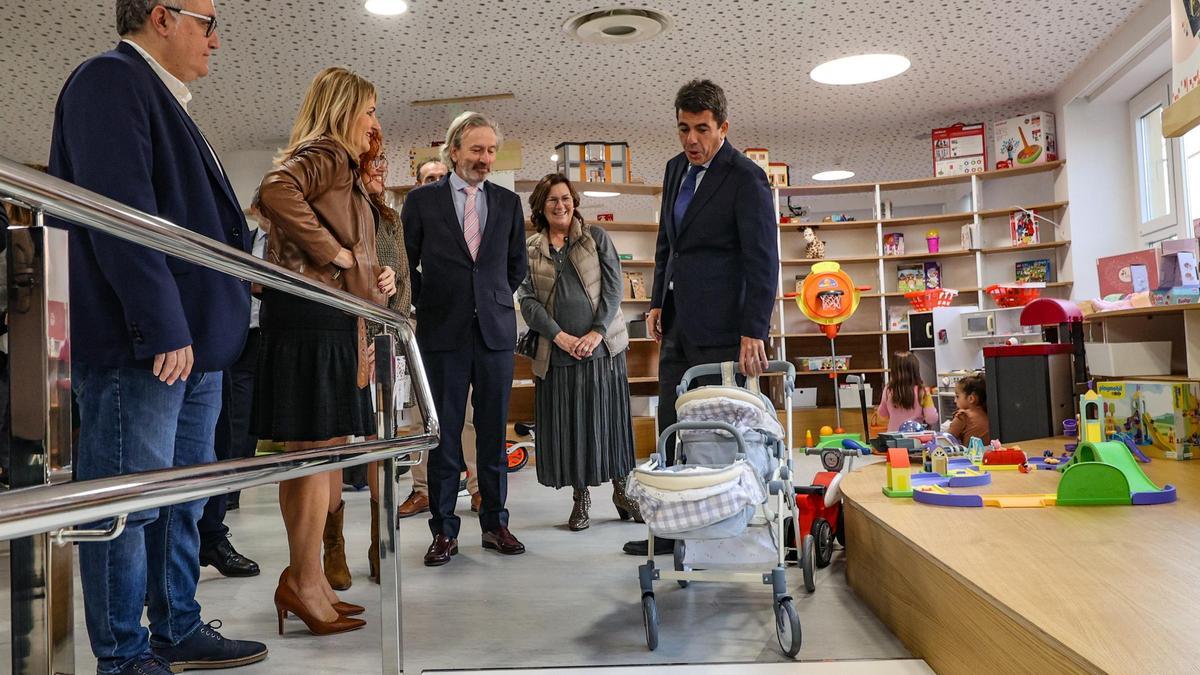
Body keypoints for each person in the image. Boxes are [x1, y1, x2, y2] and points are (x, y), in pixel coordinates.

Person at [46, 2, 267, 672]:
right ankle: (122, 653)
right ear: (161, 15)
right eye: (207, 20)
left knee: (180, 499)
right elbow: (121, 212)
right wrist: (163, 323)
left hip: (194, 349)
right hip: (145, 345)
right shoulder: (108, 80)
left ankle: (175, 623)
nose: (216, 38)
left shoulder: (167, 101)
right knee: (125, 505)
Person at [253, 66, 396, 634]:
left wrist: (370, 271)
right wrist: (337, 256)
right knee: (314, 454)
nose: (374, 123)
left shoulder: (339, 165)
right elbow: (274, 188)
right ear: (342, 110)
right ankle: (304, 582)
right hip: (314, 317)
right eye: (368, 111)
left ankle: (304, 577)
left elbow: (351, 243)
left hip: (319, 315)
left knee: (311, 455)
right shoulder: (327, 153)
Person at [624, 79, 779, 557]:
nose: (691, 140)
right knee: (673, 420)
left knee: (717, 428)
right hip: (677, 323)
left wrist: (754, 329)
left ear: (723, 128)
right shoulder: (675, 170)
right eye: (683, 129)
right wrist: (654, 302)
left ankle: (721, 521)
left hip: (723, 327)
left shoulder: (745, 177)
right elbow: (667, 243)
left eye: (701, 129)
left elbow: (762, 258)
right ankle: (671, 529)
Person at [403, 111, 528, 567]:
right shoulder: (421, 203)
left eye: (491, 150)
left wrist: (490, 297)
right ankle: (443, 531)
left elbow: (516, 267)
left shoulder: (508, 204)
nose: (485, 159)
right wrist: (427, 303)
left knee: (494, 434)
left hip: (494, 332)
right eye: (476, 150)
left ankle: (495, 524)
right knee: (445, 434)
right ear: (453, 150)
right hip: (442, 332)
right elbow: (406, 265)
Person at [517, 173, 640, 530]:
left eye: (567, 198)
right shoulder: (530, 248)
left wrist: (597, 332)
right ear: (541, 205)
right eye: (553, 199)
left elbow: (614, 288)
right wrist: (559, 337)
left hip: (603, 350)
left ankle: (622, 491)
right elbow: (526, 300)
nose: (561, 205)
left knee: (610, 424)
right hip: (556, 354)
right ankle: (580, 497)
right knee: (571, 428)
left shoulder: (595, 237)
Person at [396, 158, 483, 520]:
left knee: (465, 415)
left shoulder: (464, 215)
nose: (434, 182)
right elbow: (403, 267)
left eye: (439, 177)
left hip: (459, 328)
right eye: (427, 178)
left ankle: (477, 489)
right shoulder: (411, 216)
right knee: (420, 415)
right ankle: (422, 491)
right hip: (418, 326)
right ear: (417, 184)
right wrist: (423, 300)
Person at [196, 200, 268, 579]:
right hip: (200, 331)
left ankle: (211, 534)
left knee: (224, 436)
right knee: (196, 447)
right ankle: (169, 560)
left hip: (229, 334)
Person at [876, 352, 938, 432]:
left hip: (893, 439)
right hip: (916, 439)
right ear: (916, 370)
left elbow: (882, 415)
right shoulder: (923, 392)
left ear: (894, 371)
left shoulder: (888, 390)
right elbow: (931, 418)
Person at [948, 373, 990, 444]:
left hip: (969, 454)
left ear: (971, 398)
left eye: (957, 396)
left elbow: (947, 439)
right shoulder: (986, 413)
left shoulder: (963, 416)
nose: (955, 401)